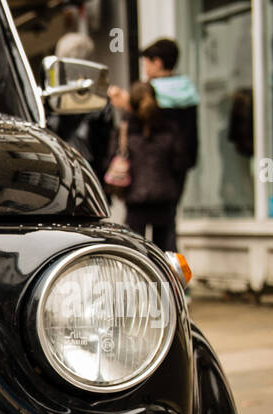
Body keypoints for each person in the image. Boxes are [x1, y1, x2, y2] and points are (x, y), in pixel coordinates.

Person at [109, 38, 200, 204]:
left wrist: (127, 106)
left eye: (146, 63)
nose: (145, 69)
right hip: (179, 164)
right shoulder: (187, 89)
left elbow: (139, 129)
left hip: (148, 167)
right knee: (169, 215)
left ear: (157, 63)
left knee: (139, 220)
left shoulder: (149, 94)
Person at [107, 81, 189, 251]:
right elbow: (180, 163)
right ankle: (165, 278)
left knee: (135, 252)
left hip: (135, 199)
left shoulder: (125, 129)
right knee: (165, 253)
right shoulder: (170, 128)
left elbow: (110, 159)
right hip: (165, 198)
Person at [47, 29, 115, 184]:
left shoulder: (53, 91)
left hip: (61, 167)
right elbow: (106, 138)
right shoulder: (97, 92)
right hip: (91, 171)